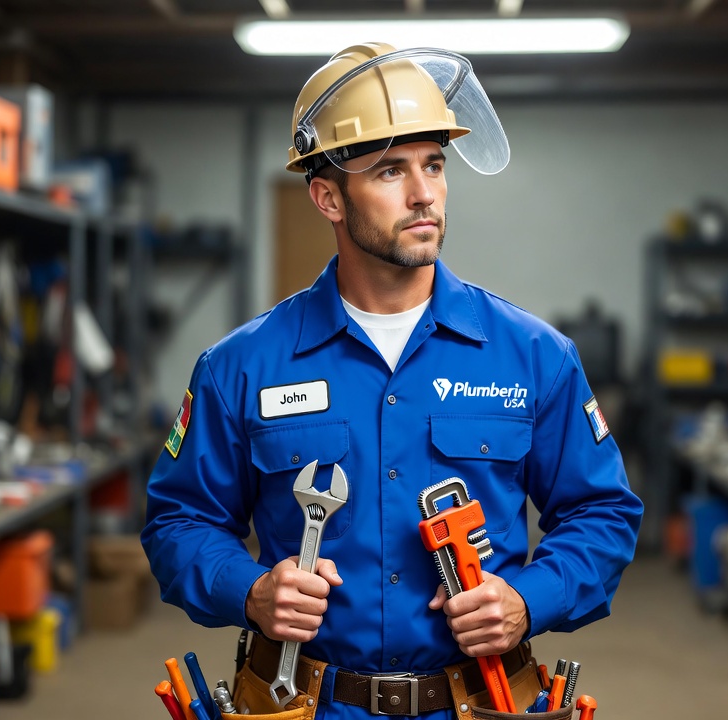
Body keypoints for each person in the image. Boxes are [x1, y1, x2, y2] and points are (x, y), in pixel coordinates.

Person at [143, 43, 643, 720]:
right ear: (328, 197)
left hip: (478, 703)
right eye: (389, 171)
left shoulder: (534, 357)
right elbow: (179, 520)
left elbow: (602, 514)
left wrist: (530, 600)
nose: (424, 193)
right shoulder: (239, 367)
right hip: (303, 703)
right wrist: (251, 590)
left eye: (434, 165)